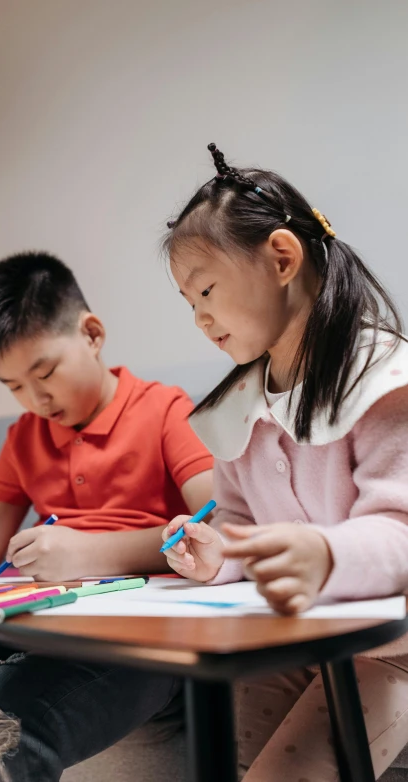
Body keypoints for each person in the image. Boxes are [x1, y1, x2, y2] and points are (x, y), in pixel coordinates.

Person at [0, 252, 213, 781]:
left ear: (91, 333)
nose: (35, 399)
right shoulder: (23, 439)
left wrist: (89, 552)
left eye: (45, 372)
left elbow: (219, 525)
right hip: (28, 628)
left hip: (140, 644)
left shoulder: (165, 411)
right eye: (14, 386)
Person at [161, 144, 408, 780]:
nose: (200, 318)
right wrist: (218, 555)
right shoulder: (238, 408)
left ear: (281, 258)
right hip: (297, 637)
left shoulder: (380, 377)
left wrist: (326, 555)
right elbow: (243, 528)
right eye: (189, 303)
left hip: (389, 646)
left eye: (207, 290)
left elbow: (401, 529)